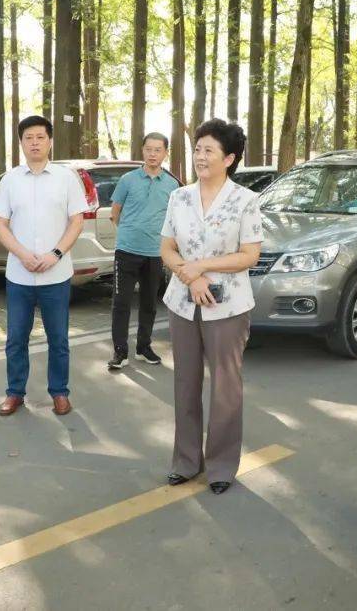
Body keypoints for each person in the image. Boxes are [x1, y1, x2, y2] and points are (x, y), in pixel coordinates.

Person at [160, 119, 262, 495]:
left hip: (228, 306)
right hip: (182, 303)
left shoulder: (245, 200)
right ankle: (185, 461)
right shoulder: (179, 197)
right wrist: (191, 277)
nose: (201, 156)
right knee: (185, 382)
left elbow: (250, 255)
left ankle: (221, 466)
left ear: (229, 158)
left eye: (209, 151)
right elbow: (167, 248)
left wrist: (202, 266)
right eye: (198, 149)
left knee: (225, 387)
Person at [0, 115, 89, 417]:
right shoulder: (10, 180)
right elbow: (0, 224)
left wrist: (55, 253)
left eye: (40, 137)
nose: (34, 142)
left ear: (50, 141)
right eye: (28, 137)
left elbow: (77, 221)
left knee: (58, 339)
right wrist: (21, 253)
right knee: (16, 338)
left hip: (56, 274)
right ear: (21, 143)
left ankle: (59, 392)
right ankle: (14, 393)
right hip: (19, 275)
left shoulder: (66, 178)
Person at [107, 132, 179, 370]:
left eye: (158, 150)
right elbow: (114, 213)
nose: (152, 154)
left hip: (155, 253)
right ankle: (120, 351)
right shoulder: (128, 180)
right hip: (126, 250)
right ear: (142, 151)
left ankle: (143, 347)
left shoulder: (172, 185)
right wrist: (131, 231)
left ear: (165, 153)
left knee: (149, 303)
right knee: (121, 303)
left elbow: (174, 220)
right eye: (149, 149)